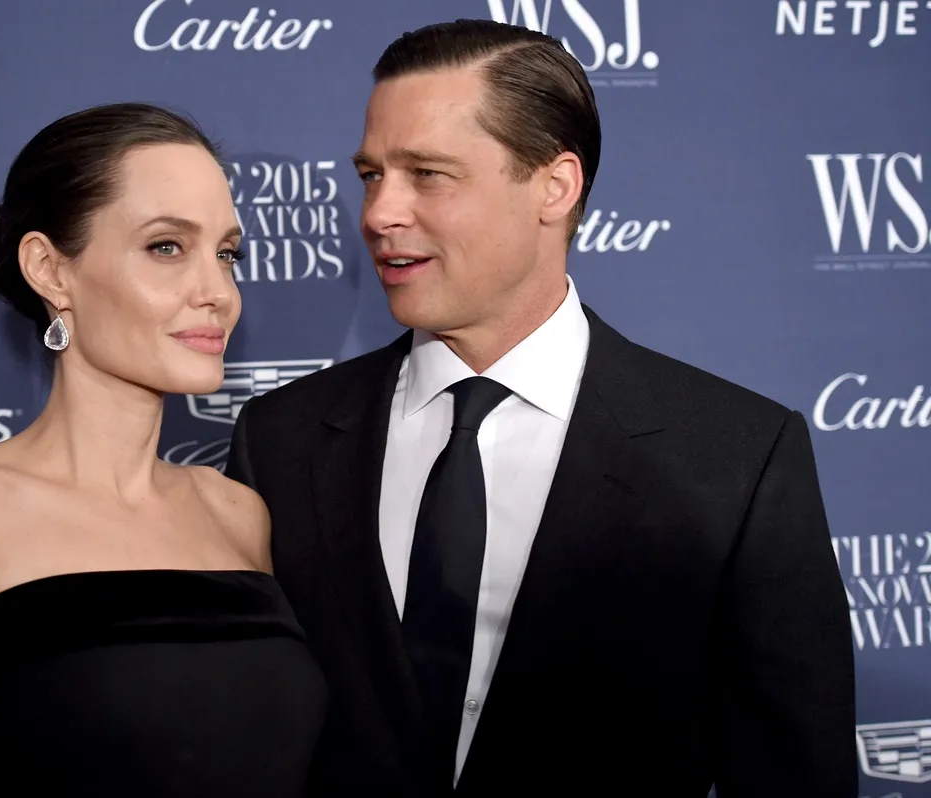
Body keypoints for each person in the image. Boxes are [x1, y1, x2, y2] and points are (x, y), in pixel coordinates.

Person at [224, 20, 857, 797]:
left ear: (554, 187)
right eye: (369, 175)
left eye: (426, 173)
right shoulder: (279, 440)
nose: (379, 213)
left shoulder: (736, 458)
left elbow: (795, 775)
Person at [0, 102, 327, 798]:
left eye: (226, 254)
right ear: (50, 270)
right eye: (166, 247)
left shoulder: (237, 512)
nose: (216, 291)